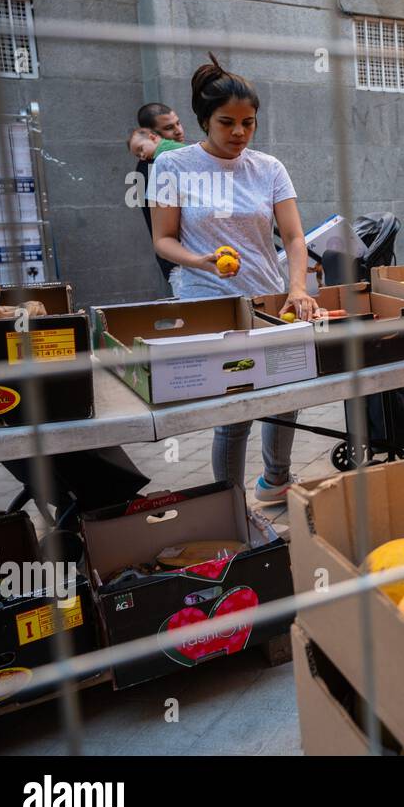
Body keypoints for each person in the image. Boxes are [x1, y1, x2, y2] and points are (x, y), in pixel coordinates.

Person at [148, 54, 317, 503]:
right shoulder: (173, 167)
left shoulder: (269, 168)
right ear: (205, 120)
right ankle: (229, 503)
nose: (239, 133)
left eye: (249, 123)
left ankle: (276, 482)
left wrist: (297, 287)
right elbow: (163, 240)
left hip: (266, 297)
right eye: (227, 123)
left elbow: (295, 238)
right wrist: (200, 260)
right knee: (236, 407)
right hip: (210, 303)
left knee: (285, 393)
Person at [132, 103, 186, 284]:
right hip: (182, 267)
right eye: (169, 128)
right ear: (152, 135)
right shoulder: (149, 169)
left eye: (178, 123)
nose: (178, 131)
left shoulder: (177, 160)